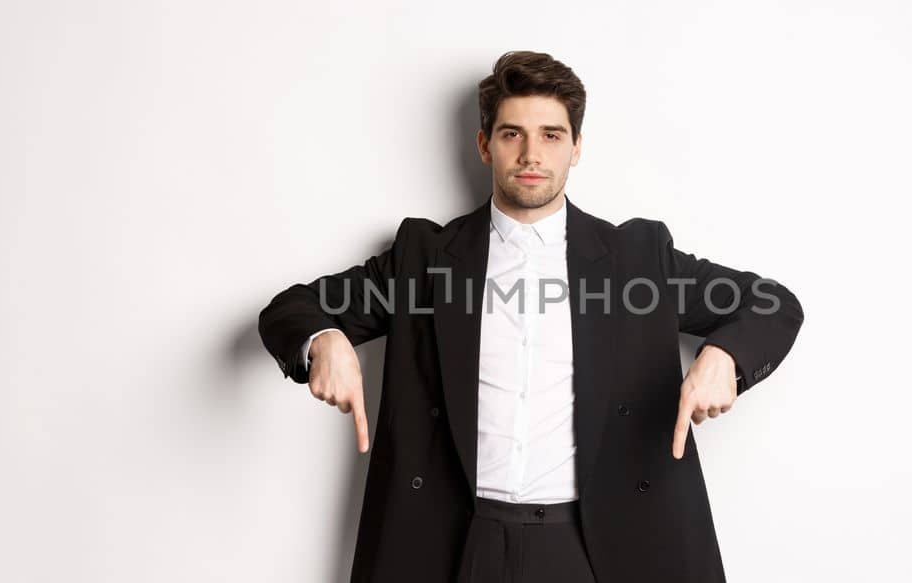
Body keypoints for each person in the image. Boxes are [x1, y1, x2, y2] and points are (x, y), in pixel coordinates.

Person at [259, 50, 803, 583]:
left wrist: (725, 355)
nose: (531, 154)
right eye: (512, 133)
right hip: (457, 543)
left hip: (600, 546)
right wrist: (325, 339)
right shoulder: (423, 258)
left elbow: (773, 304)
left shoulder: (638, 259)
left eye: (551, 134)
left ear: (577, 147)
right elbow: (290, 309)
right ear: (484, 145)